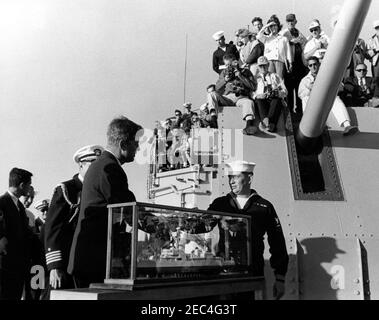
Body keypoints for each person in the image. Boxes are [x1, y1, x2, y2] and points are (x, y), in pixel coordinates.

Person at [68, 116, 142, 288]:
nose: (138, 148)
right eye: (135, 143)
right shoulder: (109, 168)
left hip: (91, 258)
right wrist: (157, 225)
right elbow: (127, 207)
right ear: (123, 144)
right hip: (94, 261)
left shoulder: (101, 164)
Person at [208, 160, 288, 300]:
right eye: (229, 177)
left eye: (236, 177)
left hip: (252, 274)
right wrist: (186, 223)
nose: (231, 181)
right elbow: (204, 225)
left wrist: (280, 278)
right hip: (225, 273)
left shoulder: (264, 207)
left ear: (249, 178)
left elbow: (277, 242)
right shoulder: (220, 204)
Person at [44, 145, 104, 292]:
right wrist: (55, 266)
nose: (97, 169)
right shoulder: (66, 189)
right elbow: (53, 228)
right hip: (68, 264)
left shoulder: (102, 189)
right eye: (93, 163)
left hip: (94, 264)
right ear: (81, 164)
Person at [298, 56, 358, 136]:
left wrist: (328, 87)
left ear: (319, 64)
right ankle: (309, 125)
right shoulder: (305, 80)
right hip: (313, 102)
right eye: (310, 65)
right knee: (305, 99)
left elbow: (340, 87)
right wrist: (312, 89)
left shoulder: (328, 75)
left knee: (336, 99)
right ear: (308, 67)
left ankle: (347, 125)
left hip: (326, 99)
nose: (313, 67)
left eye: (315, 64)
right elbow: (301, 93)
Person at [0, 168, 35, 300]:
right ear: (22, 185)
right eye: (29, 184)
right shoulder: (2, 202)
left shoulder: (19, 206)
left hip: (18, 267)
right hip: (5, 267)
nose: (30, 188)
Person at [208, 54, 258, 136]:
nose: (228, 67)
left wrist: (241, 76)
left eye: (230, 64)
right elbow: (217, 88)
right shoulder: (224, 73)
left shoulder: (245, 72)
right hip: (228, 97)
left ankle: (249, 126)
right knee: (212, 94)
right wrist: (225, 80)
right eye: (226, 65)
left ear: (235, 62)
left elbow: (253, 86)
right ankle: (214, 120)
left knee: (249, 103)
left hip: (241, 97)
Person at [280, 14, 308, 115]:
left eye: (292, 21)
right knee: (289, 89)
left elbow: (305, 43)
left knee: (299, 88)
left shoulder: (299, 33)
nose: (290, 23)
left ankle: (300, 111)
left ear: (295, 21)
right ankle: (290, 111)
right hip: (289, 64)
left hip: (300, 65)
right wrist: (291, 41)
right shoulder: (284, 33)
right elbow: (281, 44)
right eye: (288, 21)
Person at [253, 56, 288, 133]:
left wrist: (278, 93)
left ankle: (268, 123)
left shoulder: (275, 76)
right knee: (259, 100)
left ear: (268, 65)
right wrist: (257, 95)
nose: (263, 67)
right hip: (261, 100)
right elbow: (250, 91)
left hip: (273, 99)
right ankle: (269, 123)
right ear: (258, 67)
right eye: (260, 66)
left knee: (277, 100)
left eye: (264, 65)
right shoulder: (255, 78)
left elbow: (285, 91)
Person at [257, 15, 293, 80]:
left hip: (280, 61)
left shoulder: (283, 39)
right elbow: (258, 36)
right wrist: (267, 25)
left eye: (275, 25)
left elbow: (288, 52)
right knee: (270, 79)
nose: (273, 27)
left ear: (278, 26)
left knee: (279, 80)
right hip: (269, 62)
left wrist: (290, 63)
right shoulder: (266, 38)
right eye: (271, 26)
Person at [368, 20, 379, 98]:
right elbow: (368, 54)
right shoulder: (371, 40)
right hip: (376, 62)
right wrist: (376, 50)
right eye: (377, 28)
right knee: (376, 80)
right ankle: (376, 97)